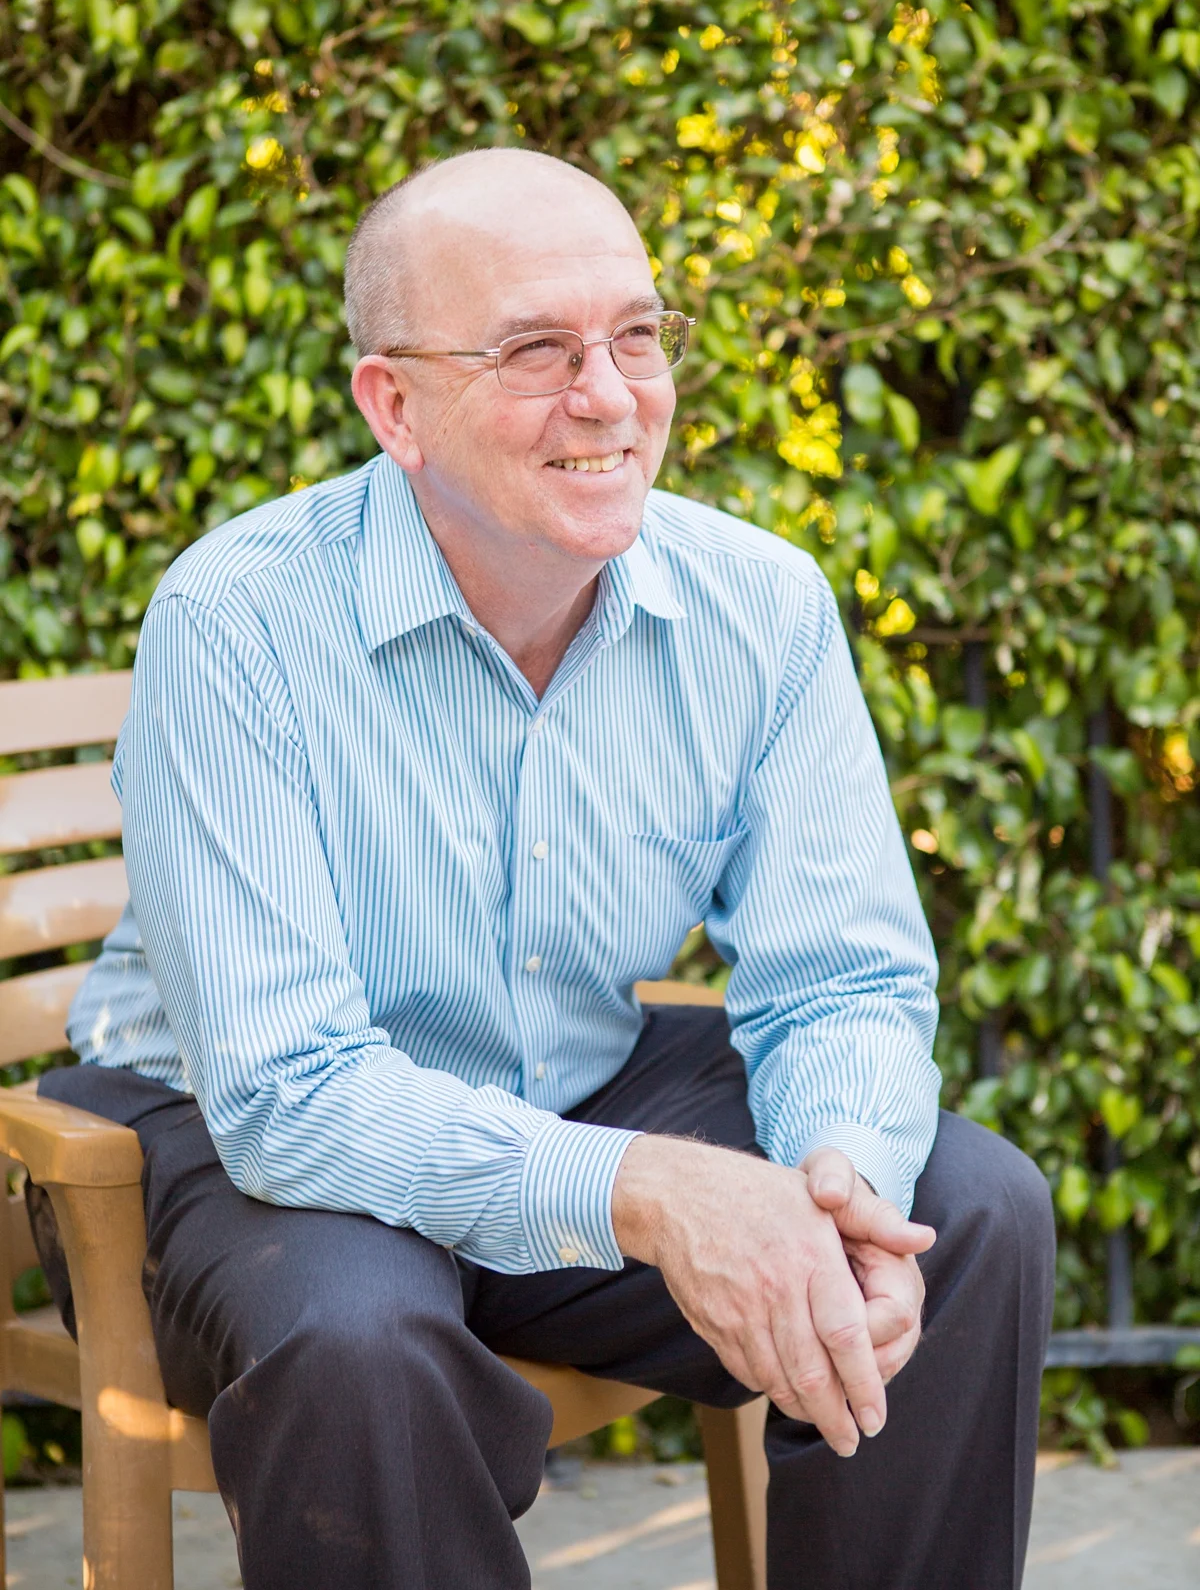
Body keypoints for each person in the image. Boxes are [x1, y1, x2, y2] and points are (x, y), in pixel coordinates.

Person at [40, 148, 1054, 1589]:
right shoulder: (237, 621)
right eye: (536, 351)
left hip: (562, 1087)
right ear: (394, 406)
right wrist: (653, 1192)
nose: (610, 396)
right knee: (360, 1343)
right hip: (238, 1135)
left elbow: (841, 975)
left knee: (964, 1215)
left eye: (637, 336)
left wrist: (843, 1195)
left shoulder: (759, 607)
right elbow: (284, 1091)